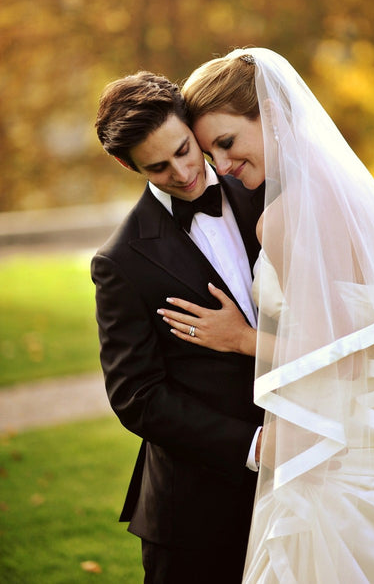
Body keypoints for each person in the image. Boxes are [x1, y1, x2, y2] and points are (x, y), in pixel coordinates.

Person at [157, 49, 374, 582]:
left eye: (226, 143)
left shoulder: (287, 220)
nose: (220, 167)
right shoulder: (349, 195)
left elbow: (340, 358)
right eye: (210, 152)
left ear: (270, 113)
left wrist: (241, 338)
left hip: (331, 460)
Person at [90, 70, 265, 584]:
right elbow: (136, 395)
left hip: (307, 478)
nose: (185, 172)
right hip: (196, 512)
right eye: (158, 167)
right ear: (127, 165)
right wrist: (251, 446)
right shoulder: (120, 261)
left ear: (191, 125)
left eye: (186, 149)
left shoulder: (262, 187)